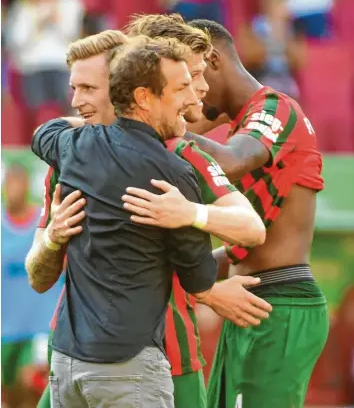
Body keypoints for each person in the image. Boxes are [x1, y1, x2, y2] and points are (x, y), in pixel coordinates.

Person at [27, 28, 271, 408]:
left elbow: (252, 228)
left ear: (124, 85)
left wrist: (191, 212)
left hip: (167, 357)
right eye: (74, 88)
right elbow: (38, 278)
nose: (76, 101)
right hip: (84, 354)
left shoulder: (180, 156)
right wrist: (52, 238)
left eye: (89, 89)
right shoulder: (67, 160)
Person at [127, 18, 329, 408]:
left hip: (280, 302)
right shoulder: (242, 121)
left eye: (194, 77)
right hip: (251, 302)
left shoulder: (276, 107)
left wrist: (160, 124)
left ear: (213, 60)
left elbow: (234, 160)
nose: (193, 95)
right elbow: (242, 248)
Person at [1, 164, 61, 408]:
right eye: (9, 184)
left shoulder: (44, 223)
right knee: (9, 396)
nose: (13, 189)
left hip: (38, 328)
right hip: (5, 330)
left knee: (31, 388)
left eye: (18, 183)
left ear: (27, 185)